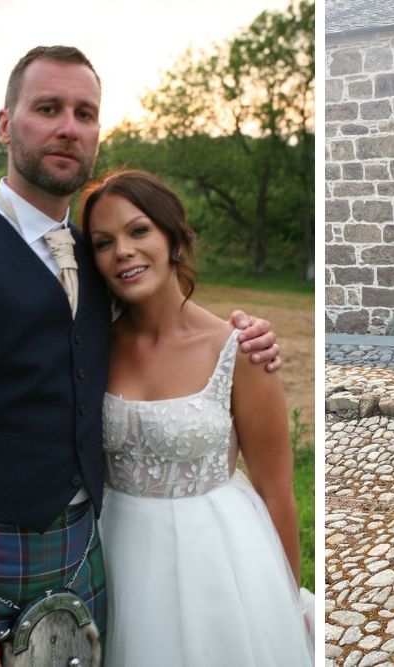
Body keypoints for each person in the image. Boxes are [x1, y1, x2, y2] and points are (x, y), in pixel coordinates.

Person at [0, 45, 280, 667]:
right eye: (48, 108)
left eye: (85, 112)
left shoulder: (96, 261)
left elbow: (161, 324)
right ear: (6, 124)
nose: (69, 126)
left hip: (83, 556)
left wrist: (247, 332)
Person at [79, 169, 313, 666]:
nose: (122, 250)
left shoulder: (239, 349)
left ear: (173, 239)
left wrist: (285, 605)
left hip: (217, 563)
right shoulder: (90, 346)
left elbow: (276, 492)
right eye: (104, 242)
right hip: (114, 556)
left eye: (138, 231)